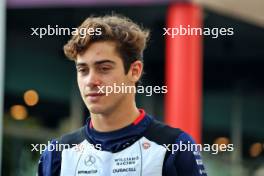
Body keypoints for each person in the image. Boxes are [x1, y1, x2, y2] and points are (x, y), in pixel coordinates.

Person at [38, 14, 207, 176]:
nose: (91, 81)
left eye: (104, 68)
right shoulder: (58, 154)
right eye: (83, 70)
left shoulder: (174, 146)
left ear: (134, 71)